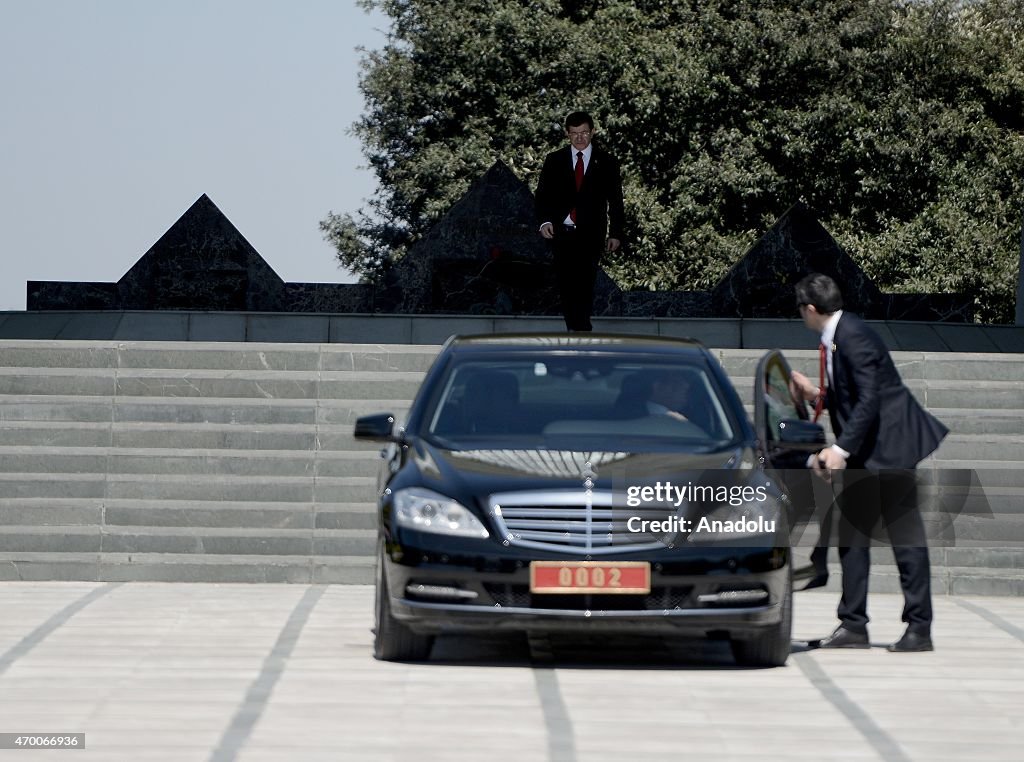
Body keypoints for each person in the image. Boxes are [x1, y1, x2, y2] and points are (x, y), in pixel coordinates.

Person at [789, 273, 948, 653]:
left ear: (811, 309)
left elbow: (869, 399)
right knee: (851, 538)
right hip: (867, 451)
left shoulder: (852, 335)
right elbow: (849, 395)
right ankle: (853, 626)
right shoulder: (837, 337)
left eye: (800, 311)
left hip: (889, 449)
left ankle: (919, 629)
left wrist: (839, 451)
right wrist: (814, 395)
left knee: (905, 539)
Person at [535, 111, 625, 332]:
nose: (580, 138)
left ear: (593, 132)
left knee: (585, 283)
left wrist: (616, 233)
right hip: (561, 233)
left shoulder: (607, 162)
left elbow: (615, 201)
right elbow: (542, 196)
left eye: (584, 132)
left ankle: (582, 328)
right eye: (574, 133)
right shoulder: (554, 160)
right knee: (566, 285)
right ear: (567, 134)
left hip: (590, 233)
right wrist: (544, 221)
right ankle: (574, 328)